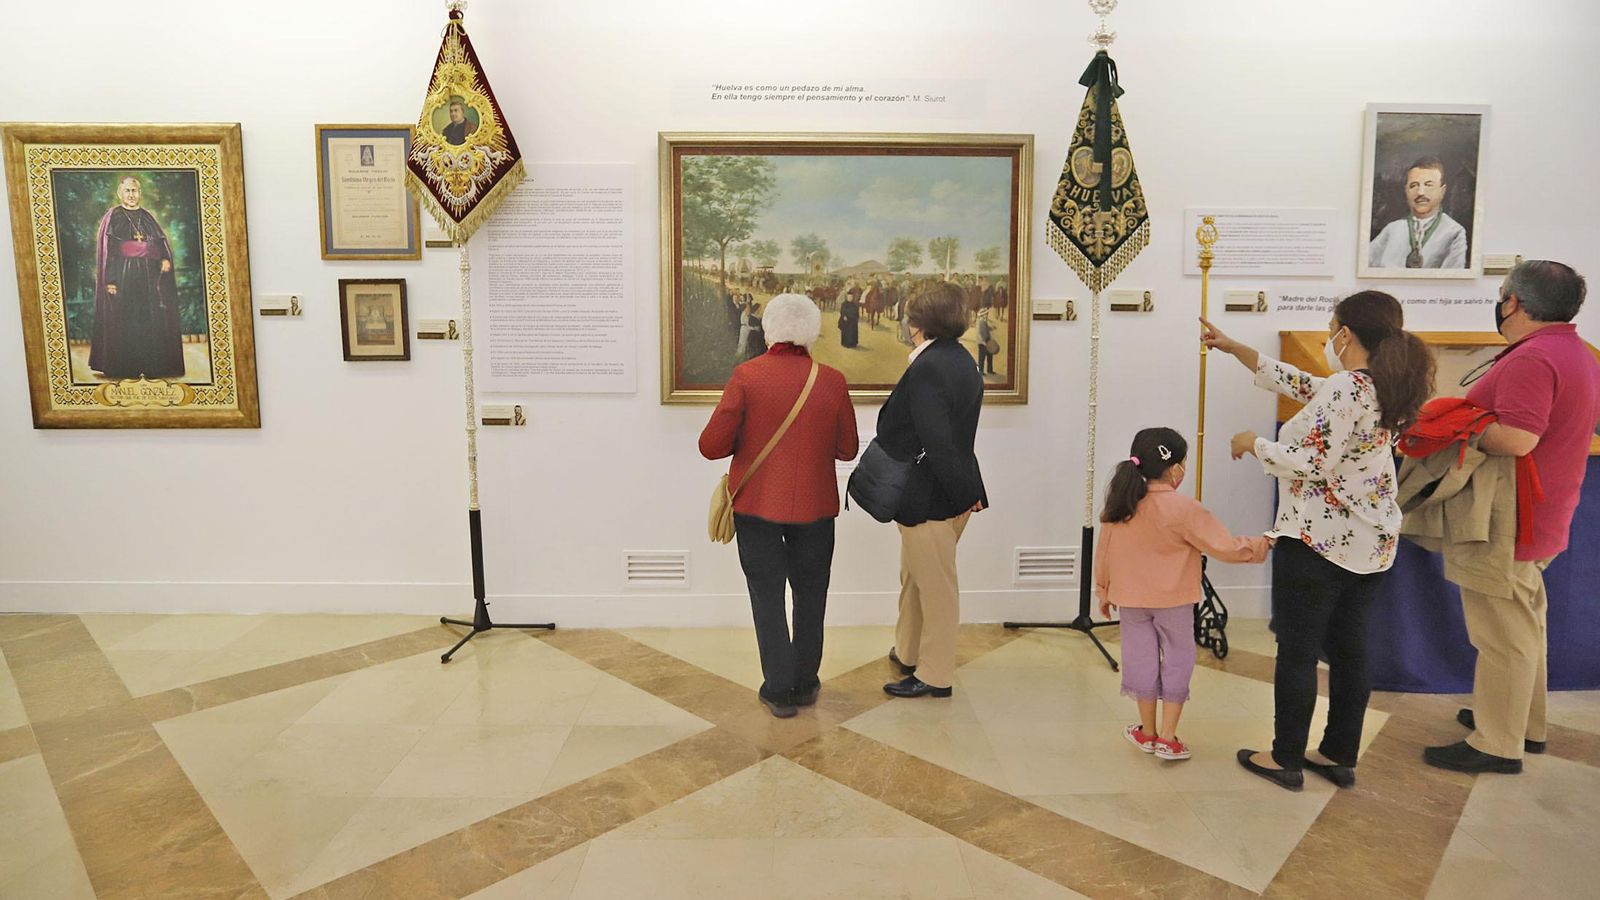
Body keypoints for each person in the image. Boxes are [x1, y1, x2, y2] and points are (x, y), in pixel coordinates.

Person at [1202, 291, 1435, 790]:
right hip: (1369, 547)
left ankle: (1284, 757)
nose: (1330, 334)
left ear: (1345, 334)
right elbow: (1305, 383)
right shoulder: (1386, 387)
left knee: (1299, 650)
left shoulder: (1348, 389)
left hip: (1317, 542)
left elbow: (1311, 463)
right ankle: (1337, 754)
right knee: (1352, 651)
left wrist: (1253, 444)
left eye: (1332, 326)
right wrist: (1234, 347)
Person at [1425, 261, 1600, 774]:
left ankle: (1496, 743)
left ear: (1515, 303)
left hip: (1511, 515)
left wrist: (1460, 428)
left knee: (1501, 634)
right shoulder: (1573, 351)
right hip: (1542, 508)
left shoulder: (1534, 357)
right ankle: (1523, 722)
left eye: (1501, 294)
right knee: (1524, 623)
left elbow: (1519, 438)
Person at [699, 294, 859, 718]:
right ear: (813, 332)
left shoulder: (747, 376)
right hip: (817, 506)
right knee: (812, 595)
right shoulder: (832, 379)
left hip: (757, 507)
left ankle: (779, 688)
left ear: (768, 331)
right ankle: (806, 682)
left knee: (766, 596)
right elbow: (848, 449)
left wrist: (747, 439)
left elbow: (710, 446)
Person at [1096, 427, 1271, 761]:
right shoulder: (1184, 509)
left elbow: (1104, 552)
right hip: (1175, 600)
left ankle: (1146, 732)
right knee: (1178, 659)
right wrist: (1263, 544)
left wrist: (1104, 591)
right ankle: (1169, 736)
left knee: (1140, 660)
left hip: (1130, 600)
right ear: (1174, 467)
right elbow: (1224, 547)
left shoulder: (1120, 505)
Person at [878, 283, 988, 699]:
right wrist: (968, 490)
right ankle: (907, 651)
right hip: (946, 491)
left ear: (917, 324)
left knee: (936, 588)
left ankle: (936, 674)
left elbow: (938, 442)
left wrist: (963, 493)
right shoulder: (960, 359)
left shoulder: (929, 367)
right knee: (915, 578)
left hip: (932, 497)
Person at [89, 176, 184, 379]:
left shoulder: (147, 217)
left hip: (149, 277)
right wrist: (111, 280)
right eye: (128, 191)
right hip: (125, 275)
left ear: (139, 193)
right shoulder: (113, 216)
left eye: (135, 191)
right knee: (127, 319)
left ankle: (151, 365)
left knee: (150, 318)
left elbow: (160, 243)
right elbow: (111, 251)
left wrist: (165, 258)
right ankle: (125, 367)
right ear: (120, 193)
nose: (131, 195)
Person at [1367, 156, 1468, 269]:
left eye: (1428, 185)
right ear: (1406, 191)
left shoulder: (1454, 232)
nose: (1420, 192)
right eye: (1414, 185)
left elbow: (1452, 278)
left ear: (1442, 191)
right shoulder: (1392, 229)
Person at [976, 308, 997, 376]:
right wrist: (985, 341)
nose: (987, 315)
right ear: (983, 314)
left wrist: (992, 328)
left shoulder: (983, 321)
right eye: (986, 314)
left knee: (989, 355)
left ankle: (989, 370)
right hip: (983, 342)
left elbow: (986, 329)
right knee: (982, 357)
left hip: (985, 341)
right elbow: (982, 333)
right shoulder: (981, 321)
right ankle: (981, 371)